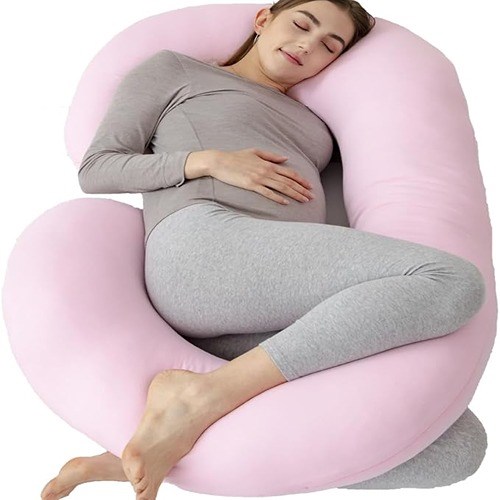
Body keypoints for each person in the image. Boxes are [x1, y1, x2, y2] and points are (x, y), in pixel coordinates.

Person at [41, 2, 487, 499]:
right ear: (262, 21)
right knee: (449, 280)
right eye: (301, 24)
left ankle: (133, 456)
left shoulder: (318, 122)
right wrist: (208, 162)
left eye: (329, 45)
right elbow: (98, 168)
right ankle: (204, 394)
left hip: (268, 295)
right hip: (205, 247)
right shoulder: (176, 70)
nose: (307, 45)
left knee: (457, 445)